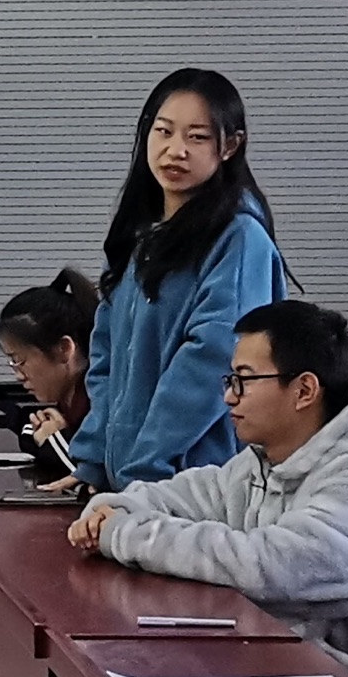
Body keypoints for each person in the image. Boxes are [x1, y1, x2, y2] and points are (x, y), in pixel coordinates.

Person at [67, 300, 348, 677]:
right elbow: (197, 495)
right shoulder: (272, 458)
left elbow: (275, 569)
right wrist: (118, 508)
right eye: (230, 379)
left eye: (244, 380)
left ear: (304, 390)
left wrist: (124, 535)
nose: (229, 396)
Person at [68, 69, 288, 491]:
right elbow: (105, 355)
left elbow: (214, 360)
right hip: (133, 481)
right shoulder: (140, 235)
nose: (176, 150)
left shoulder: (239, 238)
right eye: (164, 131)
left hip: (196, 485)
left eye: (197, 137)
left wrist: (146, 469)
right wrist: (93, 460)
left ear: (230, 146)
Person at [0, 269, 98, 469]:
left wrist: (53, 440)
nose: (18, 376)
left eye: (19, 360)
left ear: (64, 349)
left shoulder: (100, 402)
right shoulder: (68, 401)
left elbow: (92, 475)